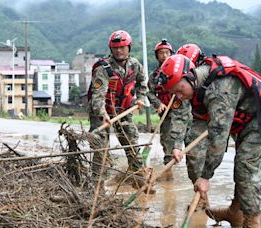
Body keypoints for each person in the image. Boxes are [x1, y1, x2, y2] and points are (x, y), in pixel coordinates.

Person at [159, 54, 261, 227]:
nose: (179, 96)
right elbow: (196, 126)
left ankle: (252, 221)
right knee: (241, 167)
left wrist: (205, 177)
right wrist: (177, 146)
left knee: (245, 167)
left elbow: (218, 139)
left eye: (179, 90)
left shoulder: (218, 90)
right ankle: (236, 213)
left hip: (256, 121)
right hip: (247, 121)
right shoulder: (198, 87)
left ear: (189, 76)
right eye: (173, 93)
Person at [87, 30, 153, 192]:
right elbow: (97, 96)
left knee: (132, 143)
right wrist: (103, 114)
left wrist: (140, 98)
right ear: (111, 49)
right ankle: (97, 187)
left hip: (124, 109)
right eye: (115, 48)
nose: (119, 51)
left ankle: (139, 180)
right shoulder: (103, 69)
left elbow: (142, 83)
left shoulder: (135, 65)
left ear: (128, 47)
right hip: (101, 113)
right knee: (101, 148)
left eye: (122, 47)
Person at [147, 39, 191, 181]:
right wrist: (158, 103)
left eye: (167, 52)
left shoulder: (181, 71)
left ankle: (194, 170)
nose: (164, 55)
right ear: (157, 56)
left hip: (182, 110)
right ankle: (168, 172)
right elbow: (150, 92)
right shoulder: (155, 76)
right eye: (161, 53)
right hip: (165, 113)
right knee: (167, 140)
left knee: (188, 139)